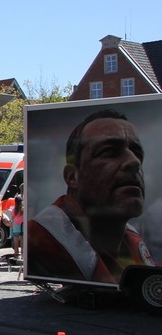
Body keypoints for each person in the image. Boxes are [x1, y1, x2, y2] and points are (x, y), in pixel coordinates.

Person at [27, 109, 154, 283]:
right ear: (72, 177)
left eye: (137, 153)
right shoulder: (38, 243)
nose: (134, 162)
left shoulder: (131, 241)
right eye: (109, 151)